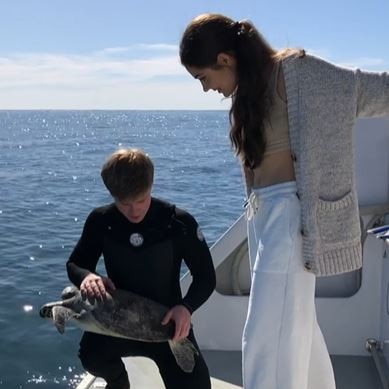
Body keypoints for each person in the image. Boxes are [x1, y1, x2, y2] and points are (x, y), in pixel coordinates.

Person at [179, 12, 389, 389]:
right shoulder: (248, 92)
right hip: (263, 218)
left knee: (266, 338)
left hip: (292, 220)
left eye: (203, 78)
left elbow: (367, 90)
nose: (206, 89)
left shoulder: (297, 72)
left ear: (225, 59)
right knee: (296, 327)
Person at [66, 148, 216, 389]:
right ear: (112, 195)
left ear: (151, 186)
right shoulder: (101, 220)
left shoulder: (178, 222)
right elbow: (75, 264)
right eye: (124, 204)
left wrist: (185, 308)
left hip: (168, 325)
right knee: (91, 357)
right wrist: (88, 276)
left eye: (141, 200)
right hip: (116, 323)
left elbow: (206, 277)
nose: (134, 211)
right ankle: (119, 384)